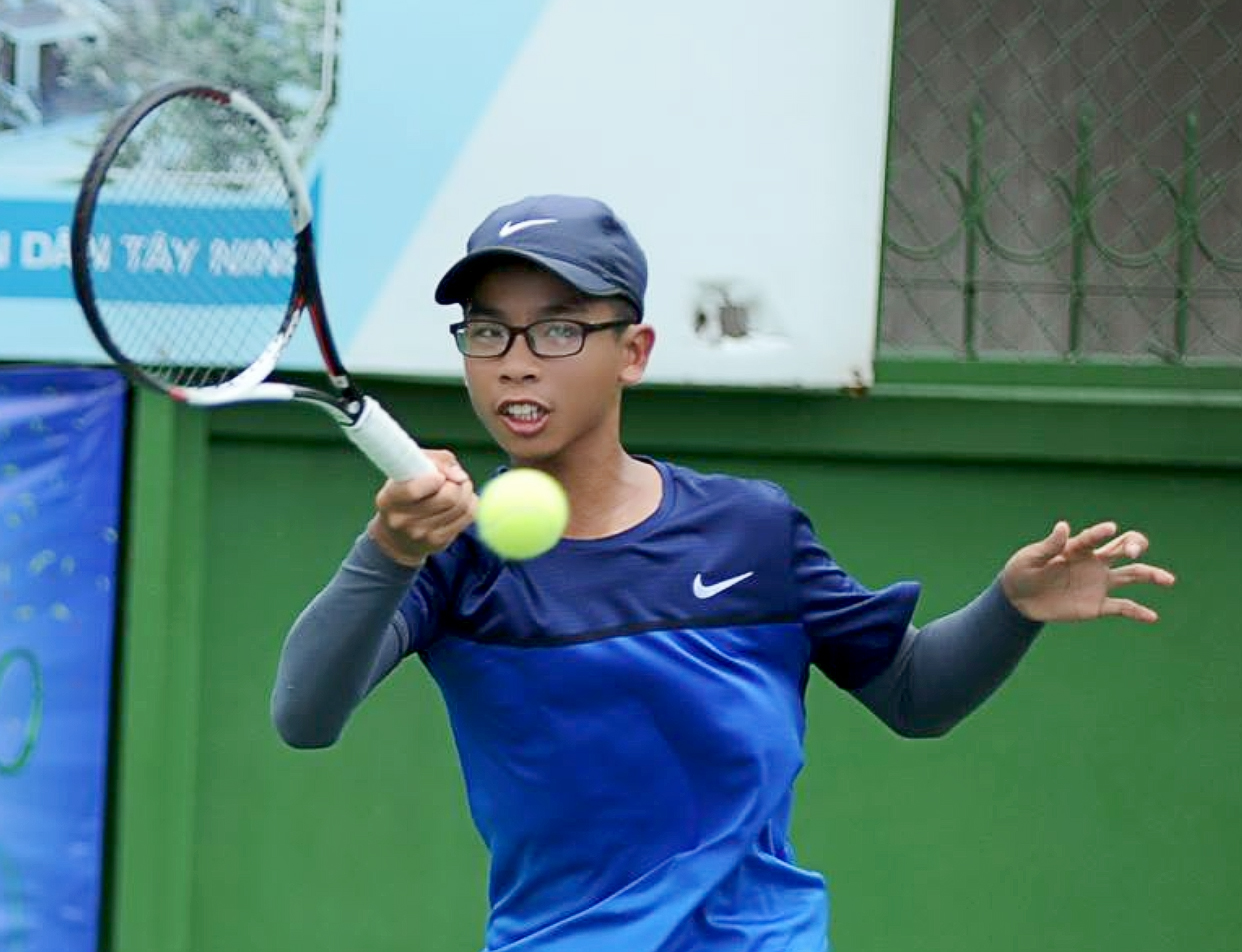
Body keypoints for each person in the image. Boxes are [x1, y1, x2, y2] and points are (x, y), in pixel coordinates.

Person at [271, 195, 1176, 952]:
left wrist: (1012, 606)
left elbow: (912, 695)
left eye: (556, 329)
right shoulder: (454, 554)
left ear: (633, 351)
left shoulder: (752, 530)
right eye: (488, 332)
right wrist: (389, 550)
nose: (515, 360)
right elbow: (305, 716)